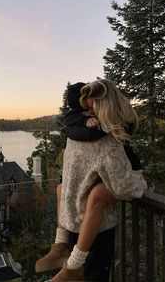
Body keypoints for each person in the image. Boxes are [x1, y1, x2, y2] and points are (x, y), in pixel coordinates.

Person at [36, 79, 147, 281]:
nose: (88, 111)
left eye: (91, 104)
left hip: (81, 214)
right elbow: (123, 187)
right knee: (65, 189)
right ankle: (67, 258)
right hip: (101, 213)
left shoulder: (86, 134)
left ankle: (67, 256)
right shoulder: (98, 134)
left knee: (83, 192)